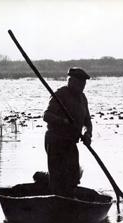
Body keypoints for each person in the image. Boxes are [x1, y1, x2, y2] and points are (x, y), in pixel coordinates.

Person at [43, 67, 93, 197]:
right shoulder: (60, 94)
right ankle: (55, 201)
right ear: (70, 81)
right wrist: (64, 121)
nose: (82, 86)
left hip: (70, 142)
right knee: (57, 178)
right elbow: (46, 116)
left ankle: (70, 203)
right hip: (55, 140)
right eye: (79, 83)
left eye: (83, 84)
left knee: (73, 177)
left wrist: (88, 134)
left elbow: (88, 122)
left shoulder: (82, 98)